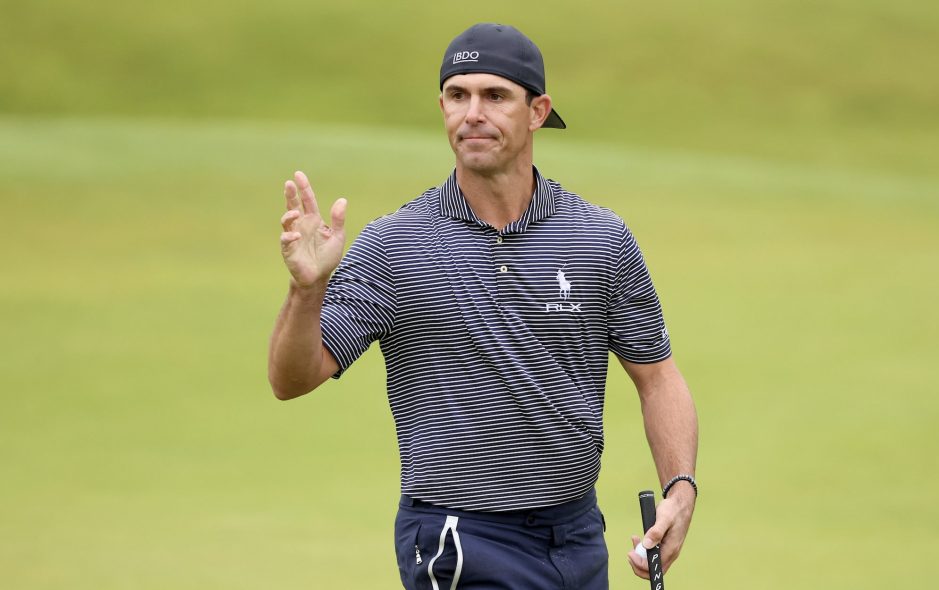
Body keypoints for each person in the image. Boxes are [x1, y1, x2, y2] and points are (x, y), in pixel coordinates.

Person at [268, 23, 698, 589]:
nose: (472, 113)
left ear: (538, 111)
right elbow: (293, 378)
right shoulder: (397, 243)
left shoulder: (598, 238)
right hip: (458, 537)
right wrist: (306, 292)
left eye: (494, 96)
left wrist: (680, 489)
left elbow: (657, 376)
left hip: (576, 535)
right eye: (457, 95)